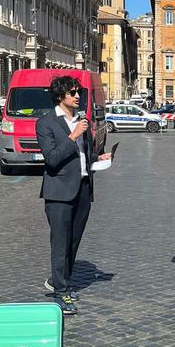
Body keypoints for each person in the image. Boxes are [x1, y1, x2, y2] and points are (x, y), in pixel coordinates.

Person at [36, 76, 111, 315]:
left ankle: (61, 280)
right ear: (60, 96)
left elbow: (82, 155)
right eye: (72, 93)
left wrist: (98, 159)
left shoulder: (82, 121)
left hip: (82, 188)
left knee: (74, 240)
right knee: (60, 242)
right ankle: (60, 293)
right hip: (58, 192)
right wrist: (72, 135)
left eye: (78, 92)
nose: (78, 96)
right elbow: (52, 158)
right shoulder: (46, 123)